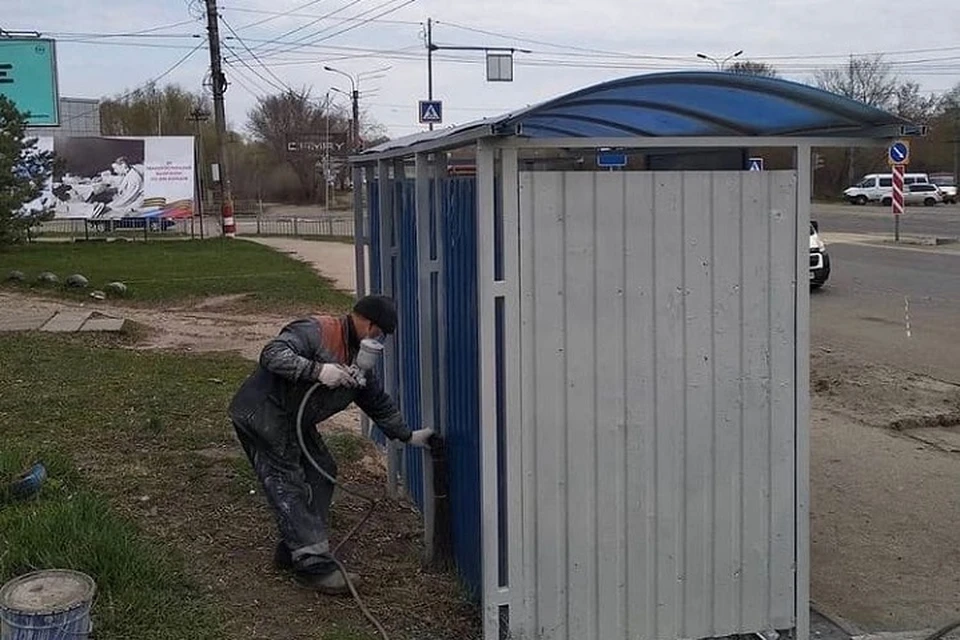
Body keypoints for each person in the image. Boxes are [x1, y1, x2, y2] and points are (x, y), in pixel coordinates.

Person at [228, 295, 433, 594]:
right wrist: (319, 371)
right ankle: (313, 564)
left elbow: (376, 401)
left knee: (322, 469)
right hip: (263, 414)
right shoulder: (318, 330)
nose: (379, 339)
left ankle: (296, 544)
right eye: (378, 331)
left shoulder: (355, 360)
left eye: (384, 336)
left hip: (292, 421)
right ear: (364, 320)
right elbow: (272, 354)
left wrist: (407, 436)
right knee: (288, 482)